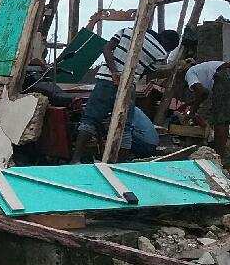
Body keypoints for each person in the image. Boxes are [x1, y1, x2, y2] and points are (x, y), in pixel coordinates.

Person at [72, 27, 180, 163]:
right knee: (124, 127)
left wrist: (114, 72)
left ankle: (75, 160)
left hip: (105, 81)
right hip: (129, 87)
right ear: (167, 43)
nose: (168, 50)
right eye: (170, 48)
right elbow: (147, 72)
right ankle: (120, 165)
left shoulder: (128, 30)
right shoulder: (160, 53)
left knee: (90, 119)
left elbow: (106, 49)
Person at [184, 59, 230, 155]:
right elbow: (205, 94)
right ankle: (221, 153)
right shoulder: (201, 69)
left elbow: (202, 92)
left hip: (225, 76)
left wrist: (192, 111)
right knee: (225, 120)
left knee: (219, 121)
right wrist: (193, 104)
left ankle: (217, 156)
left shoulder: (189, 73)